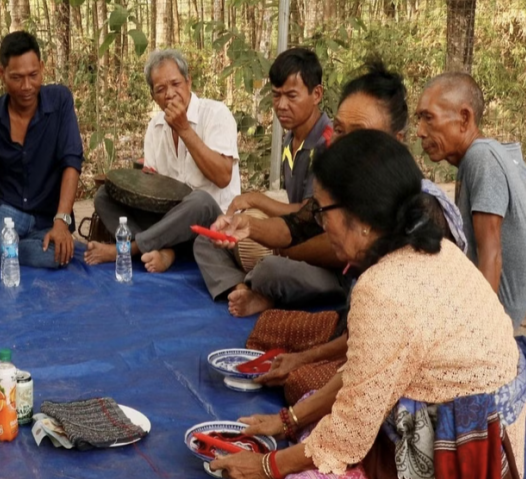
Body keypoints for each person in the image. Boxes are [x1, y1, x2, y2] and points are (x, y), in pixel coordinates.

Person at [210, 131, 526, 479]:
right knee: (311, 413)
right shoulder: (433, 250)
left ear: (362, 217)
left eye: (324, 213)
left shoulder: (380, 288)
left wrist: (266, 466)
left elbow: (348, 431)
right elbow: (369, 368)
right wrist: (289, 422)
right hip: (486, 449)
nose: (322, 225)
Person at [196, 62, 466, 316]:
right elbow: (293, 228)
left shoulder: (422, 210)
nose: (340, 143)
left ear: (395, 140)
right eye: (338, 129)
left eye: (359, 133)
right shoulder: (343, 188)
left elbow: (411, 324)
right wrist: (246, 226)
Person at [83, 49, 240, 273]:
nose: (170, 94)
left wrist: (184, 129)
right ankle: (166, 249)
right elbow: (154, 189)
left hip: (213, 221)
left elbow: (223, 177)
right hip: (171, 223)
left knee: (199, 201)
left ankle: (131, 248)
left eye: (176, 83)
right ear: (153, 96)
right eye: (160, 89)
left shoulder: (216, 114)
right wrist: (143, 185)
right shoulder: (155, 127)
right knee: (104, 196)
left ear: (188, 81)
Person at [416, 72, 526, 328]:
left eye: (428, 118)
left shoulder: (481, 157)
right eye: (419, 119)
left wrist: (482, 335)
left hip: (496, 316)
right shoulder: (491, 152)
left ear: (464, 118)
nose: (420, 132)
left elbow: (491, 253)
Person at [0, 31, 83, 268]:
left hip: (49, 214)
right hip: (8, 209)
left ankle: (11, 247)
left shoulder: (60, 101)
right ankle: (6, 244)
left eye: (33, 75)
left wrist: (61, 220)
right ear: (1, 74)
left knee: (57, 256)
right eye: (17, 78)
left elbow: (72, 161)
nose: (27, 86)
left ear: (42, 67)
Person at [222, 47, 332, 220]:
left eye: (291, 96)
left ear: (317, 94)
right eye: (276, 95)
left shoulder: (327, 143)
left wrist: (255, 200)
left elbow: (309, 214)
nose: (281, 105)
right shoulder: (289, 139)